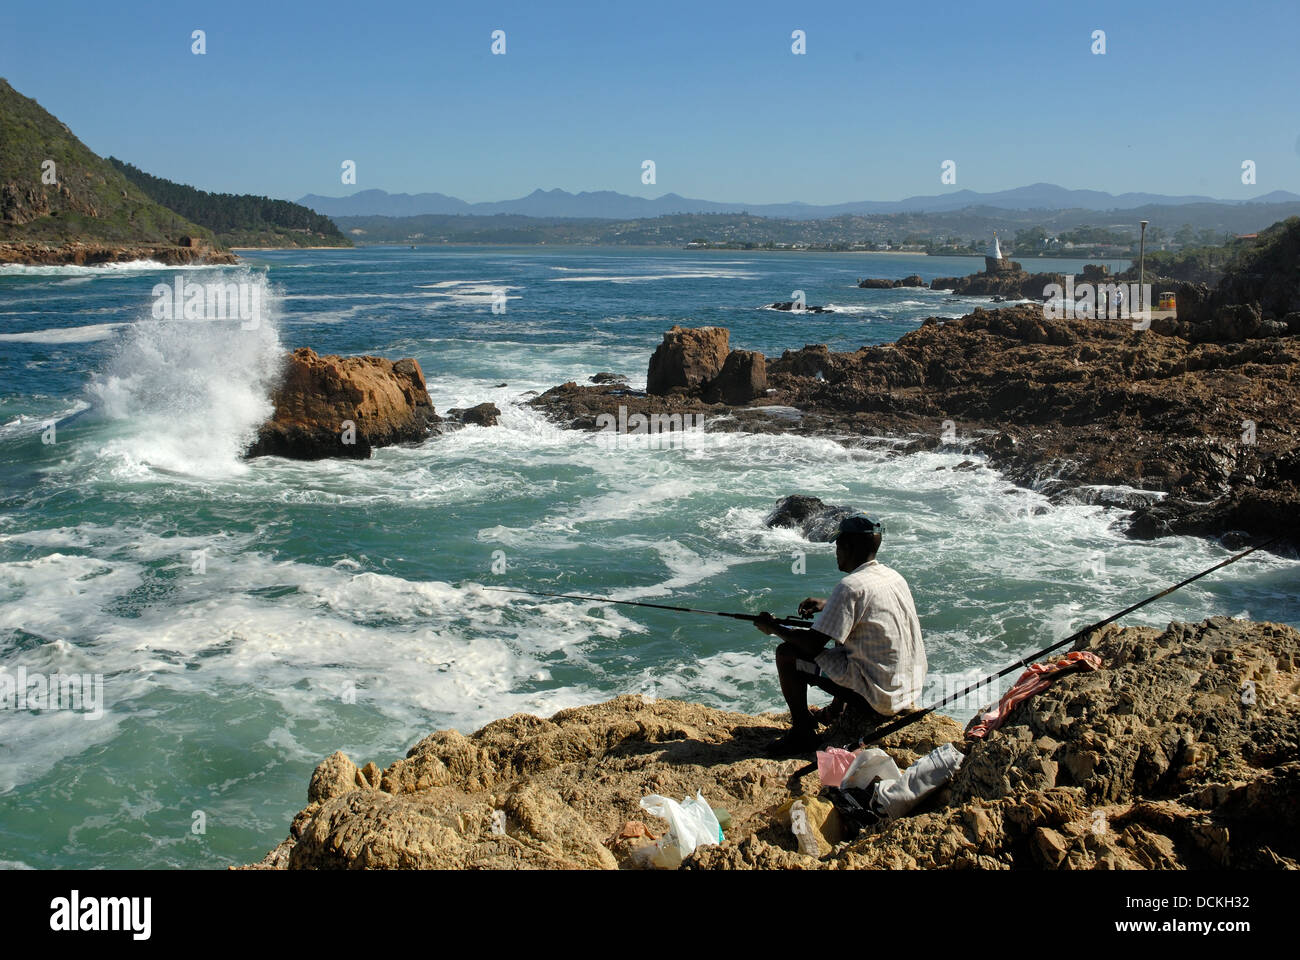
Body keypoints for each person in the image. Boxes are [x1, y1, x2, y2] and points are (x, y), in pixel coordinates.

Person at [754, 514, 927, 757]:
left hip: (880, 698)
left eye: (838, 546)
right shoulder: (892, 576)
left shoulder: (850, 587)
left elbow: (811, 645)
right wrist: (828, 604)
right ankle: (836, 712)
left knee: (787, 654)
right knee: (841, 636)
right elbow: (868, 607)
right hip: (908, 687)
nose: (836, 552)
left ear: (850, 547)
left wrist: (773, 627)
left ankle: (802, 733)